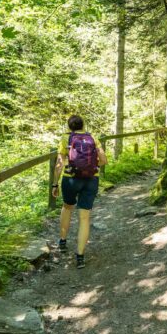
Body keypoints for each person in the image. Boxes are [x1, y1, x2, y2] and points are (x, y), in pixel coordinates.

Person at [51, 115, 107, 268]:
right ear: (83, 125)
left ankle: (62, 241)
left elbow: (59, 164)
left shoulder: (65, 139)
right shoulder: (92, 138)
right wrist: (92, 166)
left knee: (67, 207)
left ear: (70, 127)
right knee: (84, 218)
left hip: (71, 179)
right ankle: (80, 257)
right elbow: (103, 160)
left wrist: (54, 184)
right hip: (91, 180)